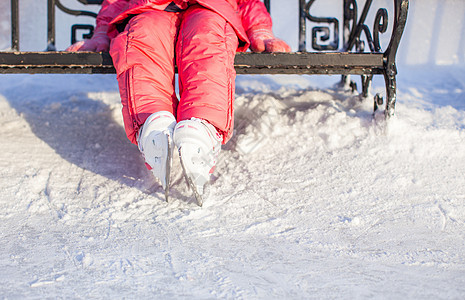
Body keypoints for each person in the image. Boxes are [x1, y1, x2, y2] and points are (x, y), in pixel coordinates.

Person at [67, 0, 291, 205]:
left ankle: (202, 127)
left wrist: (260, 30)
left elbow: (248, 2)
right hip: (150, 7)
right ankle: (153, 125)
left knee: (207, 37)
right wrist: (102, 33)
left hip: (211, 7)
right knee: (143, 35)